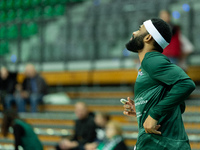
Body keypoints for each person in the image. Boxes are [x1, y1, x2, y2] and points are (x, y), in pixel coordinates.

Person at [123, 18, 195, 150]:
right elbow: (179, 106)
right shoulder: (149, 64)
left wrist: (154, 114)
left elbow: (186, 84)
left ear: (148, 37)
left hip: (162, 144)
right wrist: (142, 109)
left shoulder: (152, 60)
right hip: (159, 143)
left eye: (139, 29)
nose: (134, 32)